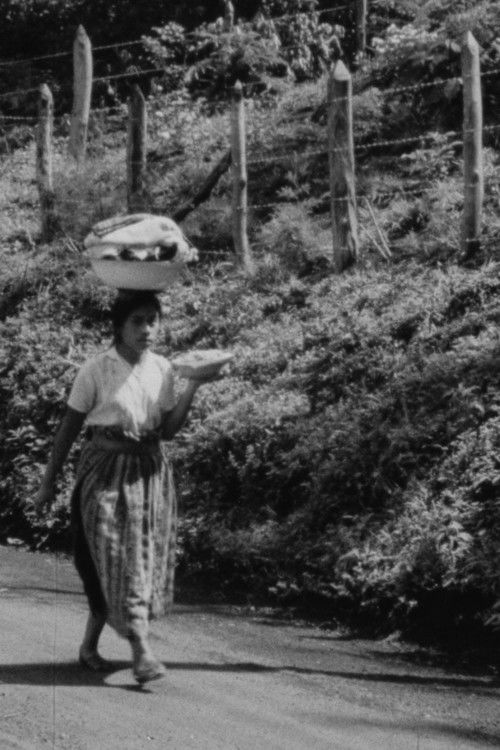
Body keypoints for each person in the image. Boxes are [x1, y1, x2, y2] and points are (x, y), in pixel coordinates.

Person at [35, 289, 217, 684]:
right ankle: (142, 652)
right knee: (117, 556)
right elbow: (69, 429)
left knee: (137, 560)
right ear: (119, 325)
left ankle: (90, 646)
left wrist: (193, 386)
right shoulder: (96, 370)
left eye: (152, 320)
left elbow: (167, 431)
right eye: (137, 321)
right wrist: (48, 483)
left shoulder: (162, 368)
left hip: (149, 474)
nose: (147, 329)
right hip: (104, 475)